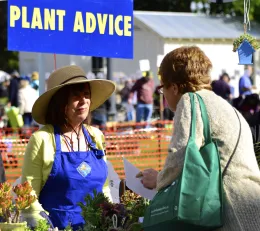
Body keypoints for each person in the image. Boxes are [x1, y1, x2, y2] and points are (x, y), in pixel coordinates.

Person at [138, 46, 260, 230]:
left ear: (174, 86)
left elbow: (180, 156)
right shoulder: (226, 106)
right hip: (251, 204)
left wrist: (158, 179)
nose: (163, 95)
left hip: (230, 211)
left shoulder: (189, 100)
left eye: (163, 88)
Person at [21, 65, 116, 230]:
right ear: (60, 102)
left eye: (86, 94)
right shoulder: (42, 139)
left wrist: (113, 215)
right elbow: (29, 196)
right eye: (76, 96)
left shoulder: (96, 136)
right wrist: (46, 227)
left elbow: (105, 188)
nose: (83, 101)